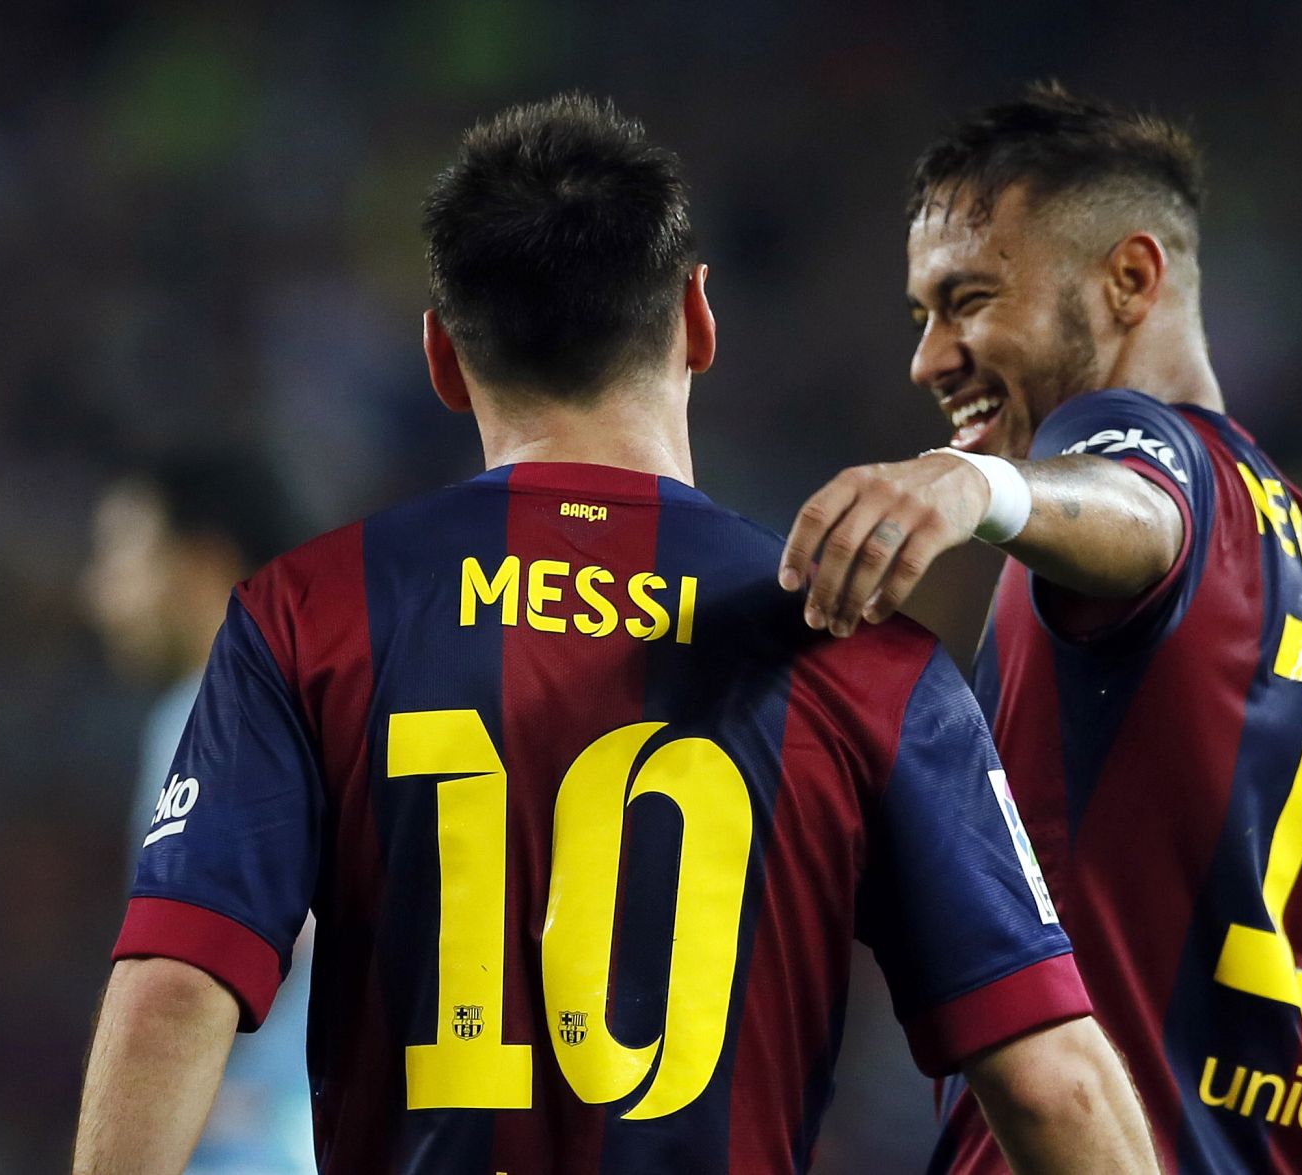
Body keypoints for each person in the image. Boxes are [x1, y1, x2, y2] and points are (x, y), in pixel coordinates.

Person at [73, 94, 1156, 1174]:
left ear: (442, 355)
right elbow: (1053, 1081)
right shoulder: (865, 655)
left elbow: (174, 986)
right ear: (697, 319)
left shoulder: (308, 614)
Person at [779, 82, 1302, 1174]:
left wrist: (981, 488)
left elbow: (1141, 508)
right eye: (922, 315)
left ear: (1130, 280)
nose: (929, 357)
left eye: (968, 299)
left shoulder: (1132, 446)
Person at [81, 454, 316, 1175]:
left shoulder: (209, 717)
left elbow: (182, 974)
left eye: (122, 556)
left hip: (261, 1146)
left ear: (201, 561)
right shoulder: (331, 698)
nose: (98, 593)